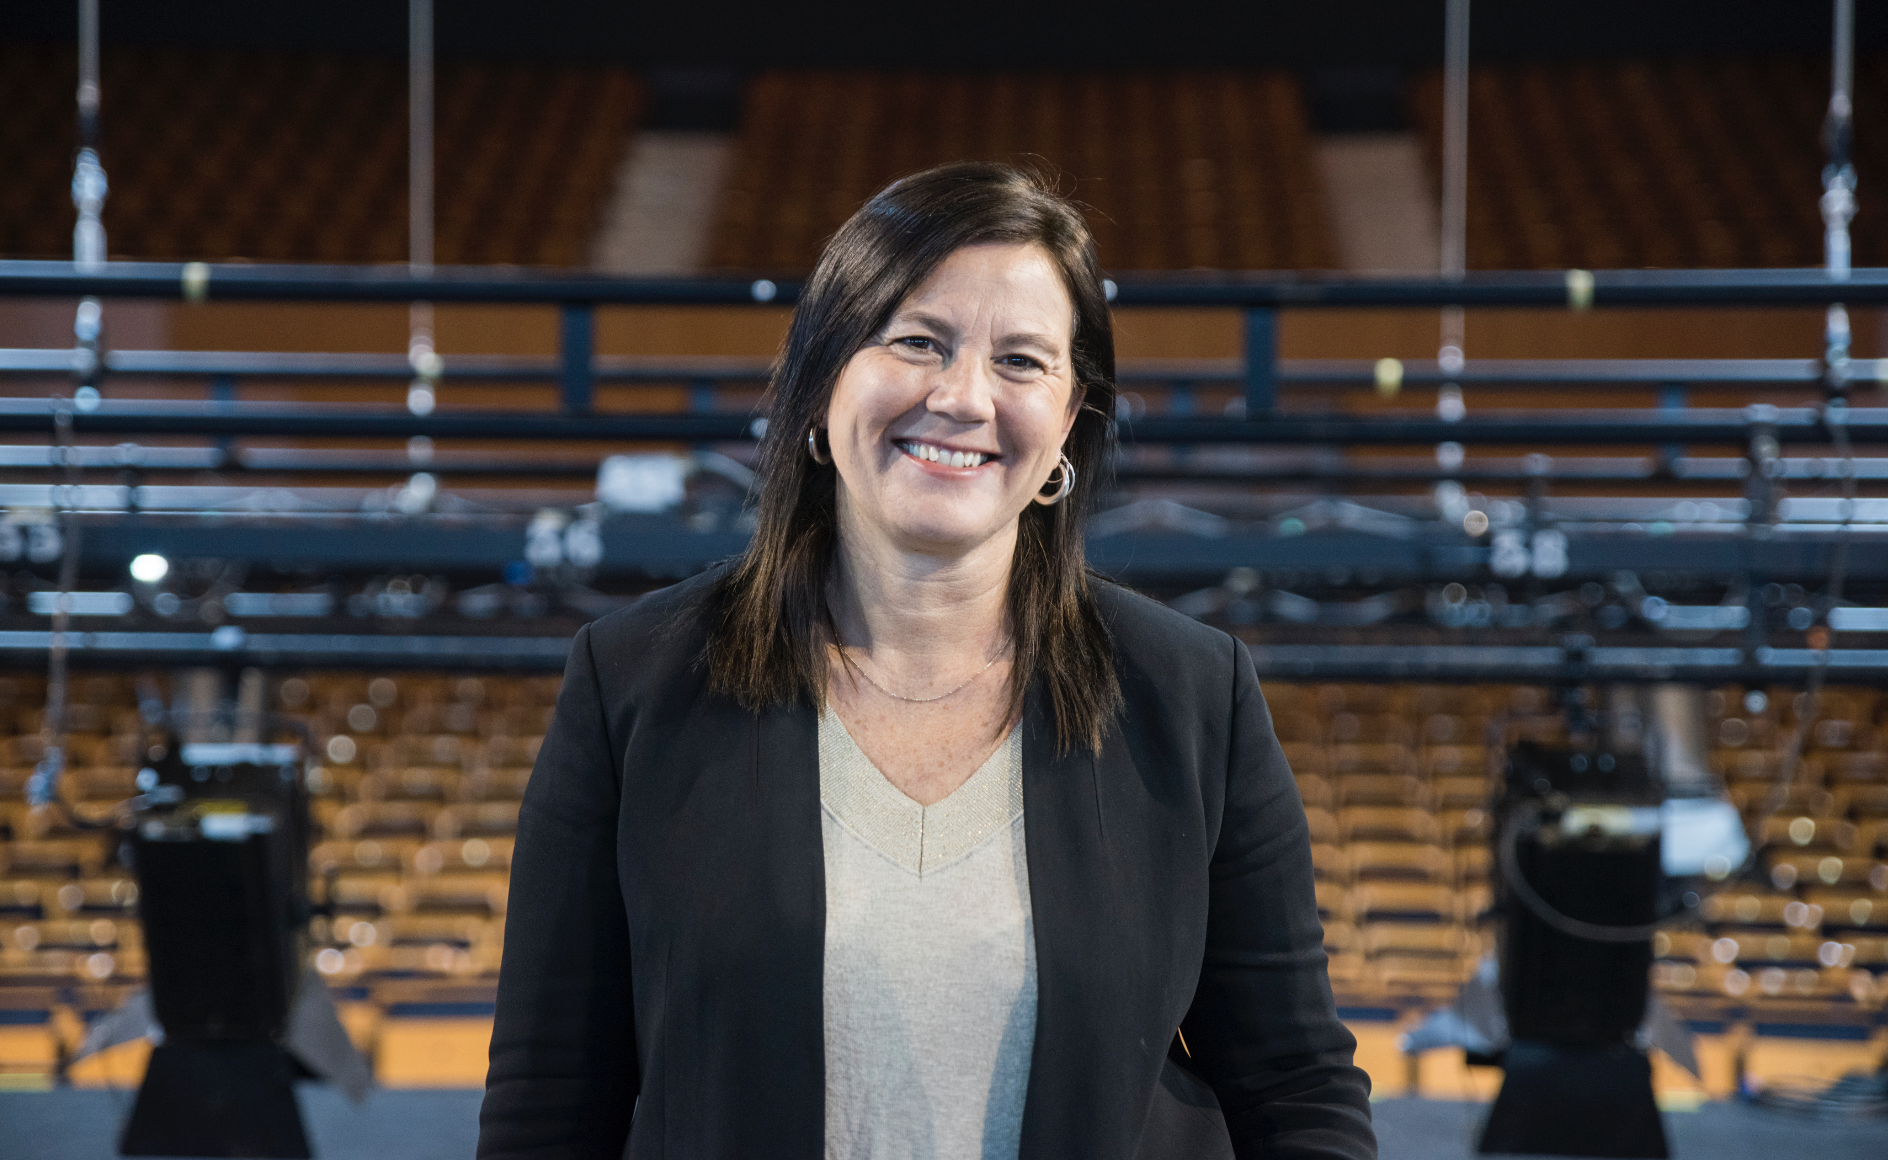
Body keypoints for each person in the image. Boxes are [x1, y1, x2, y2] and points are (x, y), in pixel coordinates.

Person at [477, 161, 1375, 1160]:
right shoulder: (631, 681)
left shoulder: (1195, 694)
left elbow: (1296, 1088)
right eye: (917, 340)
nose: (962, 397)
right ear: (820, 384)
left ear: (1069, 421)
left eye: (1023, 361)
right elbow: (548, 1104)